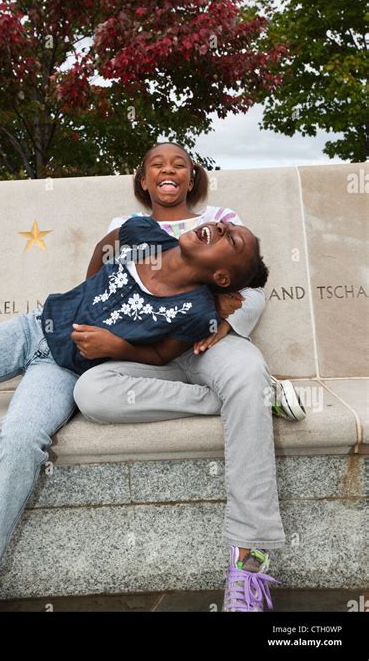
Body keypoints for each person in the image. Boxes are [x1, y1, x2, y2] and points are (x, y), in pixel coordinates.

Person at [0, 210, 265, 612]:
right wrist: (89, 297)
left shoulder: (195, 311)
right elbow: (105, 246)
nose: (222, 227)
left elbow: (160, 355)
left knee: (19, 442)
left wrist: (114, 346)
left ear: (222, 278)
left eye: (232, 239)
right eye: (226, 226)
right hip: (33, 328)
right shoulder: (148, 234)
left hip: (62, 371)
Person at [73, 141, 305, 613]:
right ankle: (253, 397)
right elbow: (100, 293)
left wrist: (224, 324)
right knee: (91, 392)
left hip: (207, 345)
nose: (168, 169)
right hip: (148, 353)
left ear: (192, 178)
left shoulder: (220, 218)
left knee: (241, 374)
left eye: (179, 163)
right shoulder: (123, 229)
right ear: (143, 181)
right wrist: (119, 345)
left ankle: (249, 564)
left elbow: (251, 284)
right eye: (156, 164)